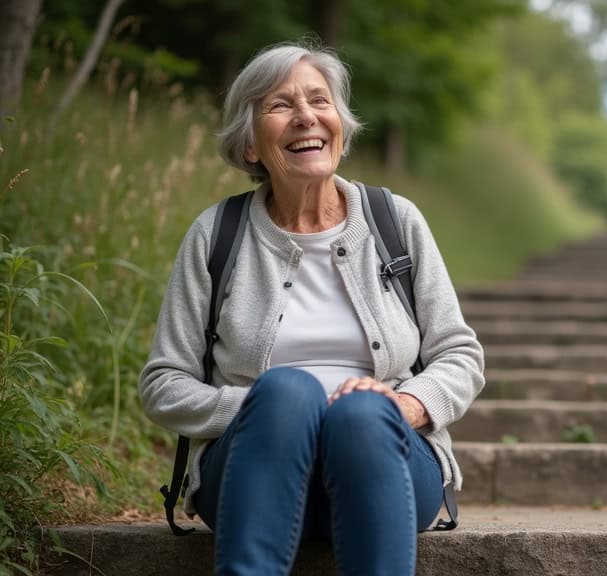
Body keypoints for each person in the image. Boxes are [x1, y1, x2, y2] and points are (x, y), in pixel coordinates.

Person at [138, 41, 485, 576]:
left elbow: (460, 355)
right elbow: (163, 382)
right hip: (252, 473)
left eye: (319, 101)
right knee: (287, 391)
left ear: (339, 127)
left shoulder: (396, 220)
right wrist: (259, 409)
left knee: (365, 412)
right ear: (251, 144)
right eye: (280, 106)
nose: (305, 117)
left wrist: (407, 406)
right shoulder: (217, 233)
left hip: (386, 468)